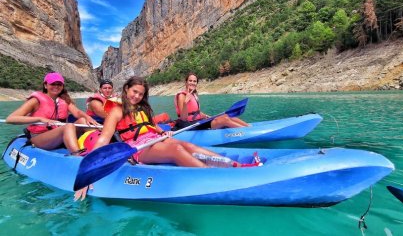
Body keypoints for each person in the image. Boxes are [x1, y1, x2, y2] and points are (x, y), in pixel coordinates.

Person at [74, 76, 258, 201]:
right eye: (134, 92)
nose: (137, 96)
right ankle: (218, 179)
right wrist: (89, 171)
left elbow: (150, 126)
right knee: (177, 151)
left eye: (140, 94)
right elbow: (103, 139)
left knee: (187, 145)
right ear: (126, 89)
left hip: (155, 139)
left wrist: (163, 133)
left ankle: (236, 166)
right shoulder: (116, 110)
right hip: (138, 149)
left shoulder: (142, 108)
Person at [6, 72, 100, 153]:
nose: (56, 87)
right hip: (39, 137)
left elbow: (77, 112)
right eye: (53, 84)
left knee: (83, 121)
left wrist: (88, 117)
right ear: (46, 85)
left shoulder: (64, 100)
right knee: (68, 126)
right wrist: (40, 119)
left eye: (59, 84)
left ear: (62, 86)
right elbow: (10, 119)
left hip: (58, 136)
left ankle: (97, 148)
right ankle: (77, 154)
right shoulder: (35, 100)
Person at [174, 72, 249, 130]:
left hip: (199, 120)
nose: (192, 83)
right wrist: (185, 103)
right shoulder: (182, 96)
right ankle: (247, 131)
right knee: (224, 120)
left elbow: (197, 112)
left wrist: (208, 116)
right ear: (186, 82)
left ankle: (249, 127)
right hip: (189, 124)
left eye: (194, 81)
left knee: (227, 116)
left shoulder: (194, 95)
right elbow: (183, 118)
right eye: (190, 81)